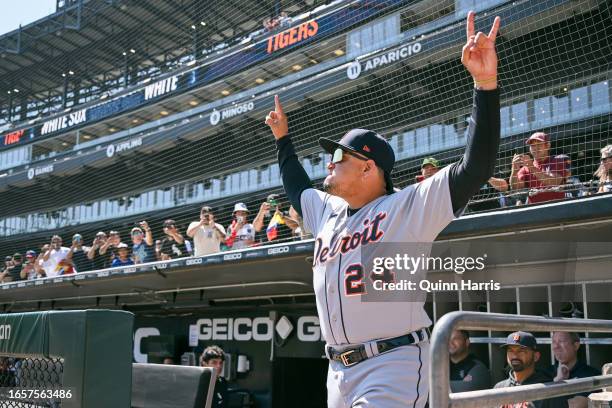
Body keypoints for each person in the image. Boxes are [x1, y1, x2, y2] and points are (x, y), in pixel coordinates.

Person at [265, 11, 501, 407]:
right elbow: (296, 187)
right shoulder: (327, 211)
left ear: (368, 167)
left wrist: (485, 84)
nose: (330, 161)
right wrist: (282, 140)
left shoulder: (406, 206)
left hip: (392, 361)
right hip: (337, 372)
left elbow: (474, 168)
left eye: (339, 154)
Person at [494, 331, 568, 408]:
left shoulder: (549, 389)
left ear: (536, 356)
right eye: (510, 351)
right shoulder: (499, 387)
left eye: (521, 351)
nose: (515, 355)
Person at [509, 132, 566, 204]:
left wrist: (531, 167)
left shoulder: (557, 161)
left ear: (548, 145)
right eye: (532, 145)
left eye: (539, 144)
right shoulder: (525, 168)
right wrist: (514, 170)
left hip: (557, 209)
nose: (535, 148)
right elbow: (515, 188)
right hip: (536, 212)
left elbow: (554, 182)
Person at [548, 331, 600, 408]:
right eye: (554, 342)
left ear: (576, 346)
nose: (556, 346)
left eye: (561, 341)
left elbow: (575, 405)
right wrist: (558, 380)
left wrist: (557, 384)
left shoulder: (591, 374)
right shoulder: (545, 372)